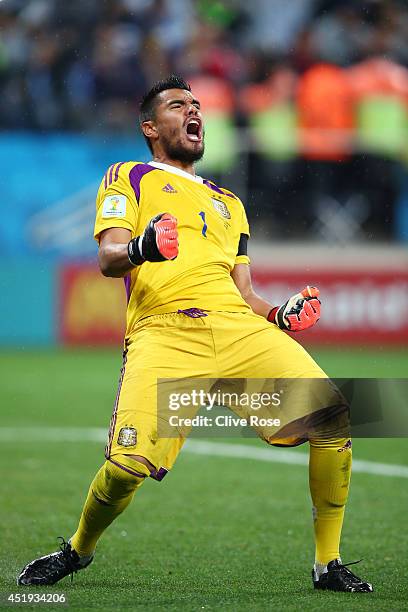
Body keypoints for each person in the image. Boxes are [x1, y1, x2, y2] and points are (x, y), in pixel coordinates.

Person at [17, 75, 372, 593]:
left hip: (237, 330)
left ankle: (327, 564)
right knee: (125, 468)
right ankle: (77, 549)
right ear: (150, 126)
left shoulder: (230, 203)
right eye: (179, 105)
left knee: (334, 419)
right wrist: (143, 247)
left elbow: (245, 295)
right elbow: (108, 257)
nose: (195, 112)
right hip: (165, 330)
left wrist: (279, 314)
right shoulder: (129, 176)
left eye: (198, 105)